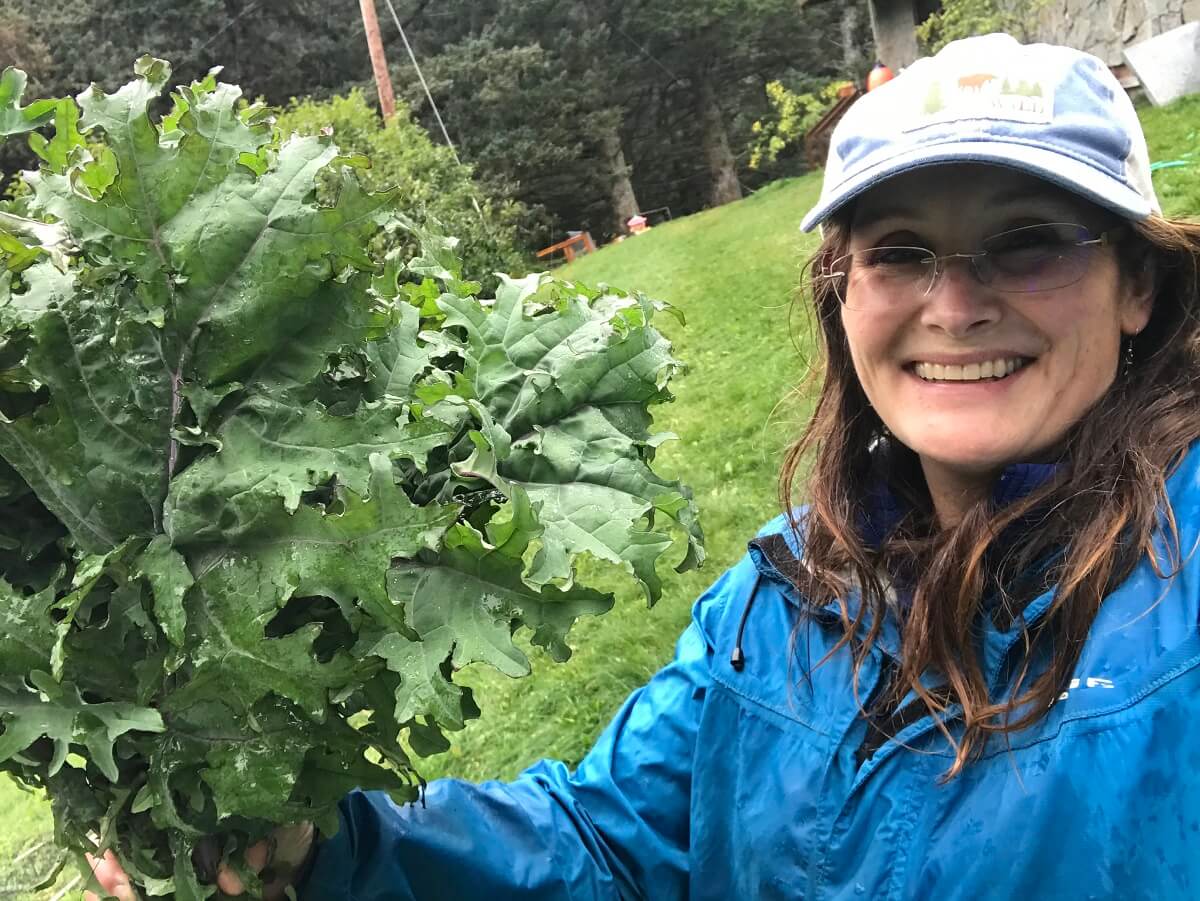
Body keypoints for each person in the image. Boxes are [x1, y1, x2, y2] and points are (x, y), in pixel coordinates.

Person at [89, 32, 1200, 900]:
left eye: (1028, 241)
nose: (955, 306)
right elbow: (608, 846)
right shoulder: (784, 603)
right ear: (843, 291)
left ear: (1138, 287)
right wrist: (327, 846)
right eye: (900, 251)